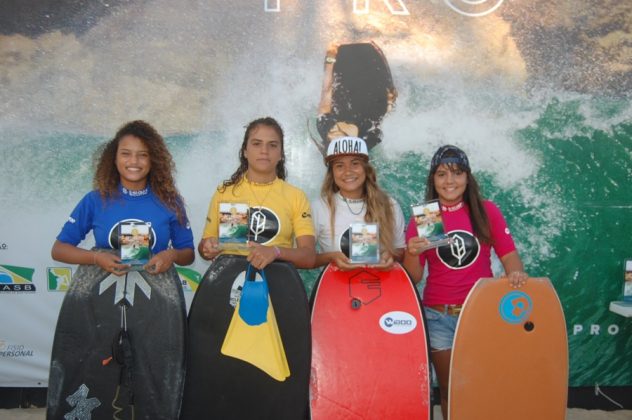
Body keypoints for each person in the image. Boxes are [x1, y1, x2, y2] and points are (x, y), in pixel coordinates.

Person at [402, 144, 528, 419]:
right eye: (442, 174)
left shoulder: (485, 211)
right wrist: (412, 253)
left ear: (467, 177)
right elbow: (414, 277)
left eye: (457, 173)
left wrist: (515, 274)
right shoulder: (427, 217)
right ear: (433, 180)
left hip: (479, 313)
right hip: (438, 316)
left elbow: (509, 256)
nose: (450, 181)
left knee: (482, 384)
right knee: (450, 389)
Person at [52, 120, 195, 273]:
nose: (134, 161)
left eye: (143, 155)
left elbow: (188, 254)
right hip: (104, 291)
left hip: (155, 293)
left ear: (153, 160)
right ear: (114, 158)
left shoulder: (170, 202)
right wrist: (96, 258)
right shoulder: (95, 200)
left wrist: (172, 254)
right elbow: (59, 250)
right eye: (126, 154)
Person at [198, 116, 316, 269]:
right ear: (245, 151)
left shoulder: (296, 196)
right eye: (256, 144)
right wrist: (207, 247)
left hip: (278, 284)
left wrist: (275, 252)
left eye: (272, 145)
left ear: (281, 154)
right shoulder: (225, 192)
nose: (264, 151)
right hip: (230, 283)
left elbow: (309, 257)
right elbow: (203, 248)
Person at [311, 136, 405, 270]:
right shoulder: (319, 207)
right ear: (332, 172)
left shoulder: (390, 205)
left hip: (381, 287)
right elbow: (306, 259)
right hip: (336, 288)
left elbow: (401, 251)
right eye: (339, 166)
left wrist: (390, 255)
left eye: (355, 163)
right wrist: (331, 257)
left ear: (366, 168)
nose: (348, 171)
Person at [311, 42, 397, 156]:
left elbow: (326, 91)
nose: (332, 134)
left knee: (345, 43)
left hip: (348, 79)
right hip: (373, 86)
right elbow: (388, 110)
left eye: (330, 138)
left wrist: (330, 59)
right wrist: (391, 97)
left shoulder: (324, 126)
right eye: (339, 138)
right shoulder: (370, 135)